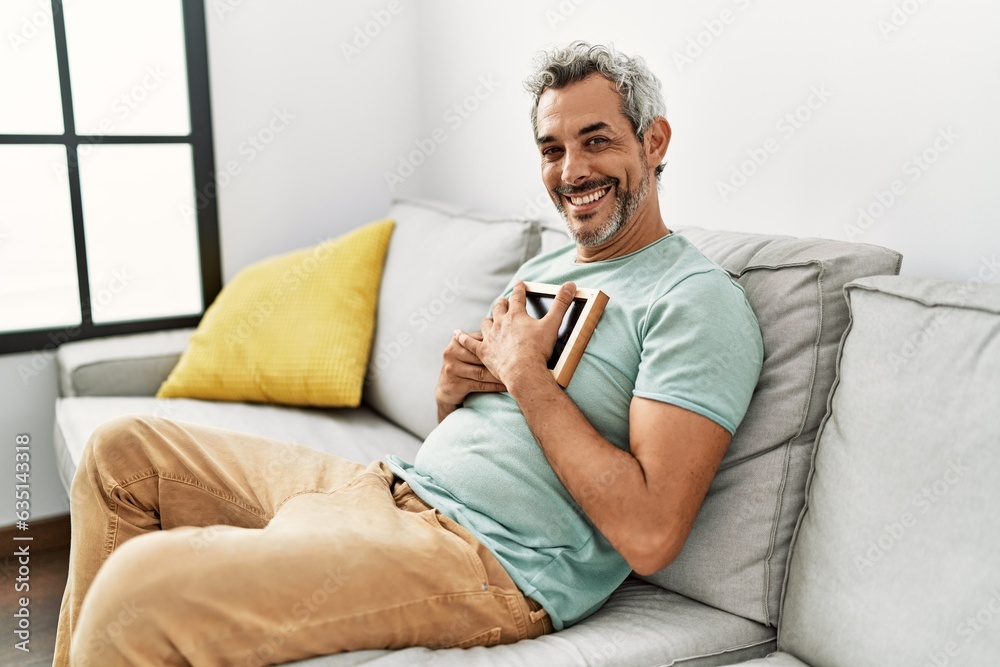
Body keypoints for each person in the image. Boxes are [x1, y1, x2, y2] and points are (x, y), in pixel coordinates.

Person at [54, 41, 763, 666]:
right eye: (552, 148)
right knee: (123, 453)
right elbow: (483, 430)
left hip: (487, 562)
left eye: (597, 140)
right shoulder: (548, 270)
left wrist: (522, 374)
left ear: (655, 141)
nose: (571, 170)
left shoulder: (695, 299)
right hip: (390, 485)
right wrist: (454, 393)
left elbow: (649, 533)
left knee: (140, 587)